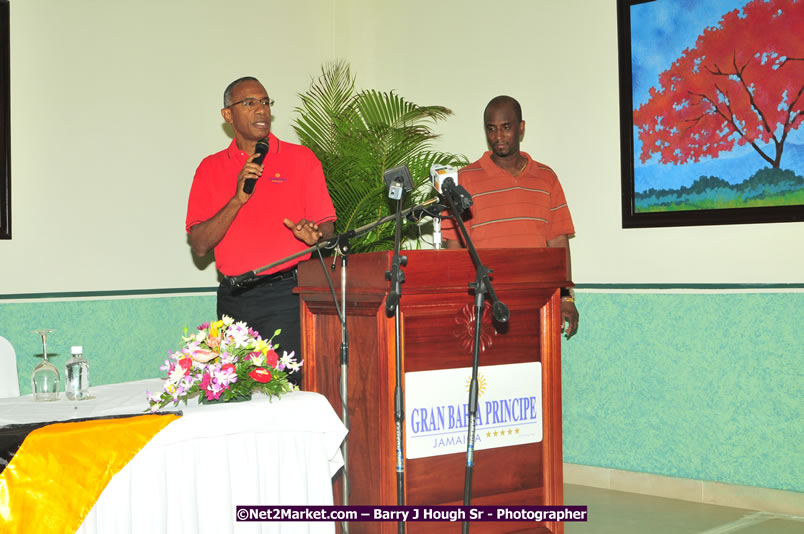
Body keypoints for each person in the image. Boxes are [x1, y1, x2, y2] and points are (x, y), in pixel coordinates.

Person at [185, 76, 336, 382]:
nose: (261, 110)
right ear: (228, 115)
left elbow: (327, 227)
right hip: (233, 298)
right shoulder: (210, 168)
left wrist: (316, 237)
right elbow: (199, 245)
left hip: (286, 296)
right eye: (250, 103)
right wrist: (237, 200)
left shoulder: (300, 159)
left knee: (286, 392)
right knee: (235, 393)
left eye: (265, 102)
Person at [442, 95, 579, 339]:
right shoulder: (464, 180)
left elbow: (558, 245)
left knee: (537, 376)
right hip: (482, 308)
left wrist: (565, 297)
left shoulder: (546, 179)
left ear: (521, 128)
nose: (498, 137)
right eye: (491, 129)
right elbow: (454, 250)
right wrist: (456, 305)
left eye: (506, 127)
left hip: (537, 305)